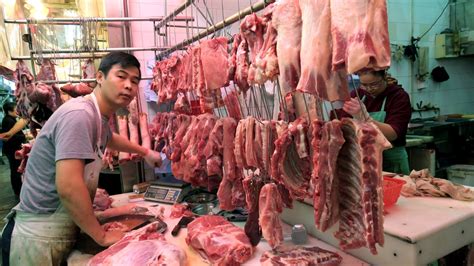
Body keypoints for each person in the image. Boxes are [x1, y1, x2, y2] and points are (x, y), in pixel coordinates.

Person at [1, 52, 162, 266]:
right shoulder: (79, 114)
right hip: (37, 236)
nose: (128, 86)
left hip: (56, 228)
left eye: (134, 81)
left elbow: (110, 138)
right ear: (99, 77)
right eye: (121, 76)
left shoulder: (97, 117)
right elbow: (68, 186)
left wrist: (145, 152)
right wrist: (100, 236)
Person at [337, 70, 412, 175]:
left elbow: (393, 134)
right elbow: (345, 126)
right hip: (365, 160)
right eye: (364, 85)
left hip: (392, 161)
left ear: (384, 76)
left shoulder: (398, 96)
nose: (369, 89)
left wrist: (366, 119)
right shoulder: (356, 95)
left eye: (374, 84)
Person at [0, 102, 28, 197]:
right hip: (12, 149)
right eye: (15, 109)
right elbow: (10, 136)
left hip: (12, 149)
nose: (17, 111)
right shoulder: (8, 120)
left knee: (16, 170)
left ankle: (19, 190)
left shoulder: (10, 119)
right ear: (9, 110)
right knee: (16, 170)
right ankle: (18, 191)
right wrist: (24, 136)